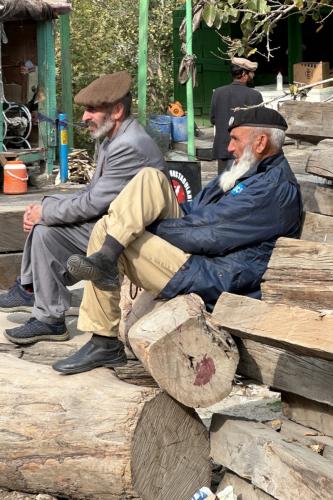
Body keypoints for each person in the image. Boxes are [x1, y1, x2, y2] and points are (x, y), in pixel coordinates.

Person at [41, 106, 302, 375]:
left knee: (112, 230)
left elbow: (208, 236)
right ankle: (106, 267)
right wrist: (139, 222)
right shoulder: (244, 170)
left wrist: (146, 226)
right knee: (149, 178)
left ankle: (103, 340)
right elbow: (195, 213)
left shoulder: (274, 189)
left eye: (235, 138)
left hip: (218, 277)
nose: (229, 147)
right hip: (200, 258)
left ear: (260, 142)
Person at [2, 70, 166, 343]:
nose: (84, 117)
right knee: (45, 220)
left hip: (135, 238)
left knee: (45, 226)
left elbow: (92, 204)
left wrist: (46, 212)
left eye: (92, 110)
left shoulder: (129, 146)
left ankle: (38, 302)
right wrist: (46, 206)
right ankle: (41, 305)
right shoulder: (112, 139)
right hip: (112, 225)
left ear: (116, 111)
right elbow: (92, 194)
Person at [211, 57, 263, 174]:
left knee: (224, 187)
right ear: (244, 74)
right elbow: (260, 124)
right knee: (244, 187)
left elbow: (213, 119)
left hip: (223, 149)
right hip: (245, 150)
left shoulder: (218, 93)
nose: (253, 75)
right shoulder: (255, 96)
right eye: (251, 73)